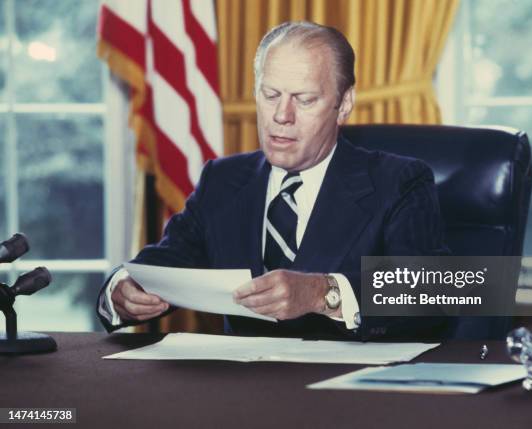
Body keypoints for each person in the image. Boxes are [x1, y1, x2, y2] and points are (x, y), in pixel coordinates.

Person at [97, 21, 449, 340]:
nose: (282, 116)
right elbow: (166, 264)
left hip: (349, 395)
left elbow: (436, 292)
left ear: (343, 105)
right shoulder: (223, 180)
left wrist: (321, 293)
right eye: (270, 95)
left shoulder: (400, 181)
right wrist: (123, 290)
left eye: (304, 99)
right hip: (243, 394)